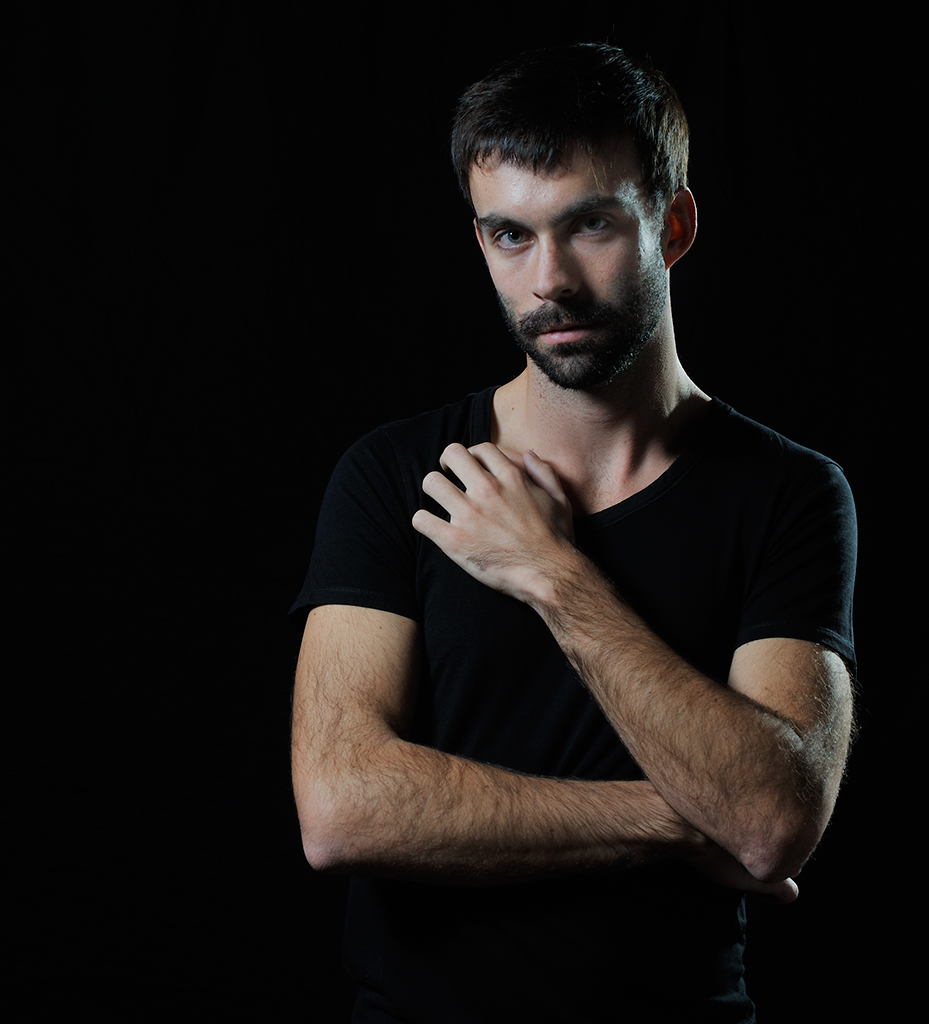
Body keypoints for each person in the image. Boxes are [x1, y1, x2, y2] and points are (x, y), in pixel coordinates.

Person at [290, 42, 856, 1023]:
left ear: (671, 225)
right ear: (480, 242)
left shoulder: (789, 492)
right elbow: (342, 805)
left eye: (588, 224)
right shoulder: (397, 473)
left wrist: (554, 574)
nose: (546, 279)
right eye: (510, 235)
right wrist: (680, 823)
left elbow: (772, 818)